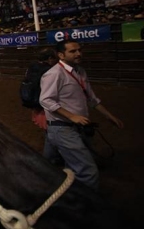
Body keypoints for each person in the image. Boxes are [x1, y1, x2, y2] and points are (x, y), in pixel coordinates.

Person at [40, 39, 124, 191]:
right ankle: (86, 204)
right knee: (88, 171)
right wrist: (72, 116)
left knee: (68, 166)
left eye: (79, 50)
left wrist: (108, 115)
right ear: (61, 55)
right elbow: (45, 100)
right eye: (73, 51)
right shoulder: (54, 74)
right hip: (63, 128)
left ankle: (67, 194)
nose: (78, 53)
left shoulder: (80, 71)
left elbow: (91, 98)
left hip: (74, 127)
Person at [22, 47, 58, 129]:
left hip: (33, 100)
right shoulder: (49, 70)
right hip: (44, 104)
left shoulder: (32, 67)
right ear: (50, 58)